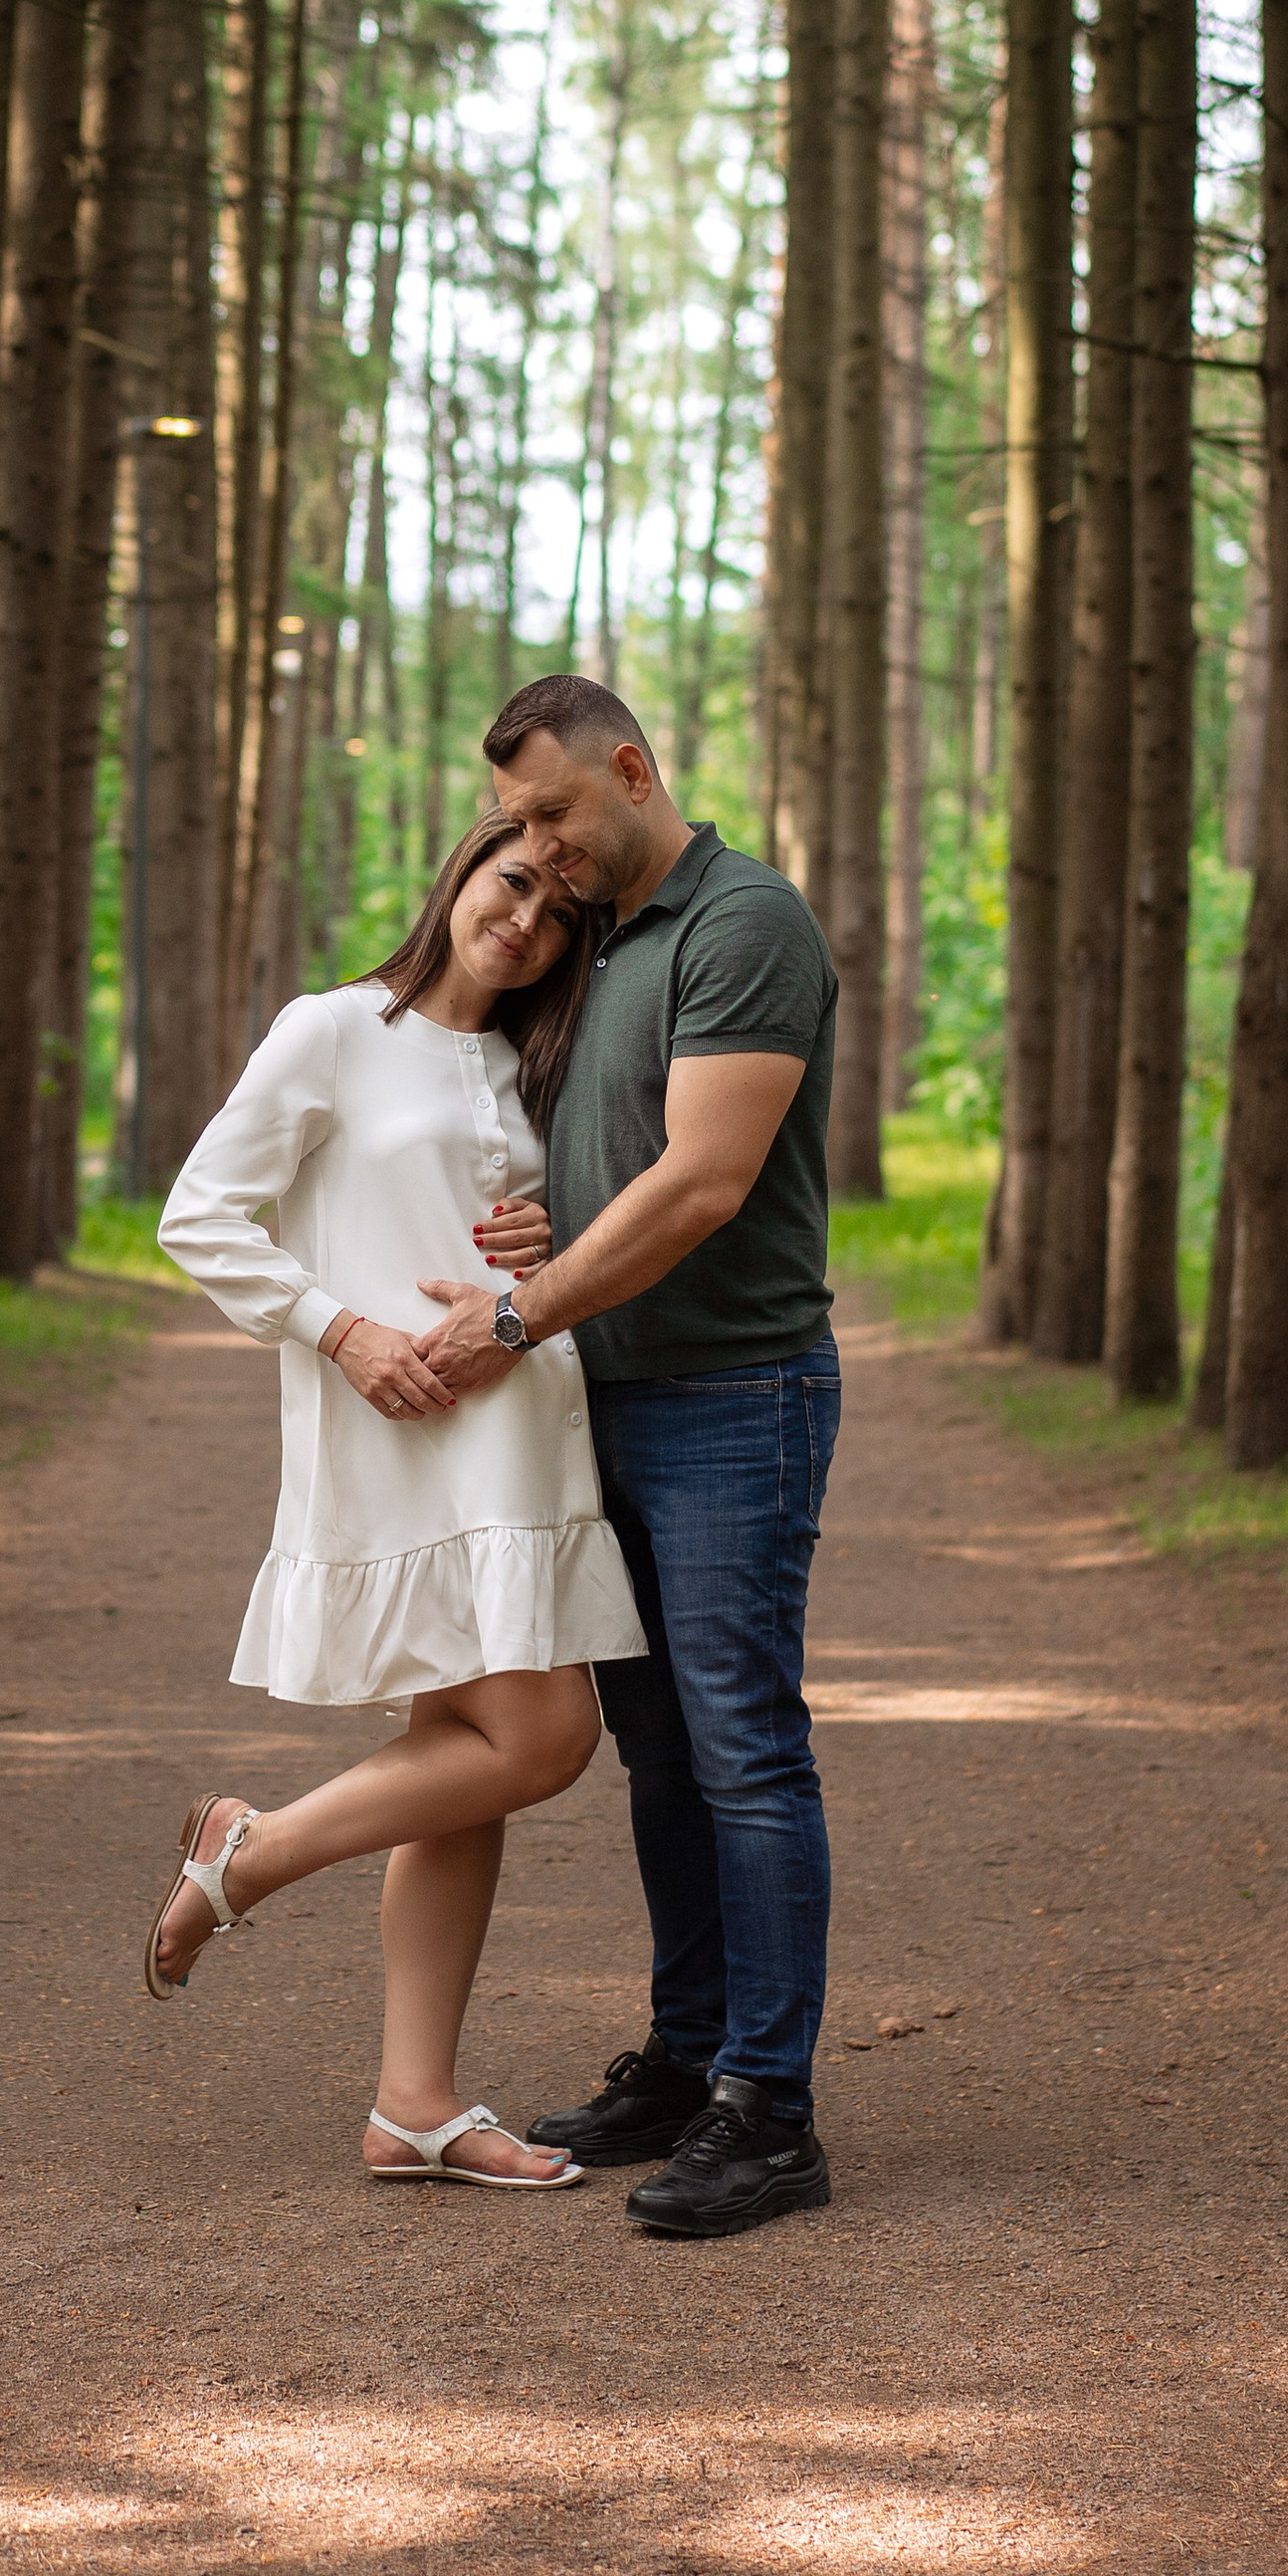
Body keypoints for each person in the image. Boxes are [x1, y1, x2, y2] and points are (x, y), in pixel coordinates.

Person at [146, 812, 646, 2187]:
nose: (526, 922)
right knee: (544, 1736)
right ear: (462, 875)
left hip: (523, 1432)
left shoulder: (534, 1064)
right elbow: (199, 1214)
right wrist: (342, 1331)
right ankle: (250, 1854)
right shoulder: (334, 1030)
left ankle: (412, 2102)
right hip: (402, 1430)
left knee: (463, 1765)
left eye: (558, 914)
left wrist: (546, 1235)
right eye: (512, 884)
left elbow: (537, 1238)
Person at [412, 673, 841, 2240]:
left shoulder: (746, 925)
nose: (531, 848)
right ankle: (687, 2057)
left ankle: (771, 2109)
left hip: (737, 1394)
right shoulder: (599, 948)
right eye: (512, 824)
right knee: (661, 1752)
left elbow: (707, 1182)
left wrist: (522, 1309)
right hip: (613, 1394)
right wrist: (541, 1238)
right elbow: (608, 1175)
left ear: (635, 772)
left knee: (741, 1742)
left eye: (549, 814)